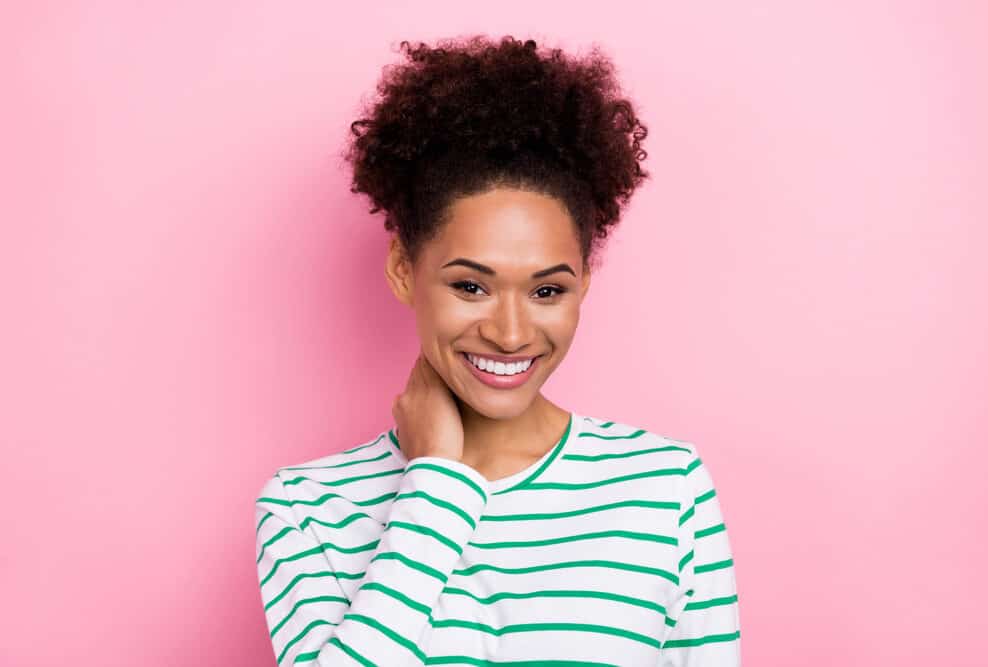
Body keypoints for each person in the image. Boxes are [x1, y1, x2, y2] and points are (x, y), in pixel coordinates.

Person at [254, 34, 741, 666]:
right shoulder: (308, 509)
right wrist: (436, 484)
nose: (511, 334)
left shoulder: (664, 485)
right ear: (403, 268)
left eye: (546, 289)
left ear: (583, 283)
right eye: (470, 285)